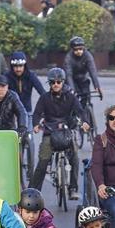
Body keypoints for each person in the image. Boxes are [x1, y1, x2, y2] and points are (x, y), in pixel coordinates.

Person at [30, 67, 87, 198]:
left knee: (75, 158)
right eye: (52, 82)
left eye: (58, 82)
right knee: (43, 161)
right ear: (49, 84)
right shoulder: (44, 98)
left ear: (63, 82)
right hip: (50, 131)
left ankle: (73, 188)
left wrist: (84, 122)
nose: (56, 84)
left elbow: (80, 111)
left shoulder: (71, 97)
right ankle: (32, 191)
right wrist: (36, 125)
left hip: (66, 131)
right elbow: (37, 113)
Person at [64, 36, 103, 105]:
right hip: (73, 80)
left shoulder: (88, 55)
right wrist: (72, 89)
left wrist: (97, 86)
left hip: (83, 79)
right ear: (72, 50)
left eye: (81, 49)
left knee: (87, 99)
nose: (79, 51)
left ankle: (88, 112)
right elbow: (68, 75)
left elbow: (92, 71)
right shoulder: (68, 58)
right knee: (73, 98)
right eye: (76, 49)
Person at [6, 52, 45, 116]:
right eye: (15, 66)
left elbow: (42, 92)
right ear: (12, 66)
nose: (18, 69)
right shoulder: (7, 77)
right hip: (11, 113)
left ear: (25, 65)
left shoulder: (31, 76)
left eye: (20, 66)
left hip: (27, 112)